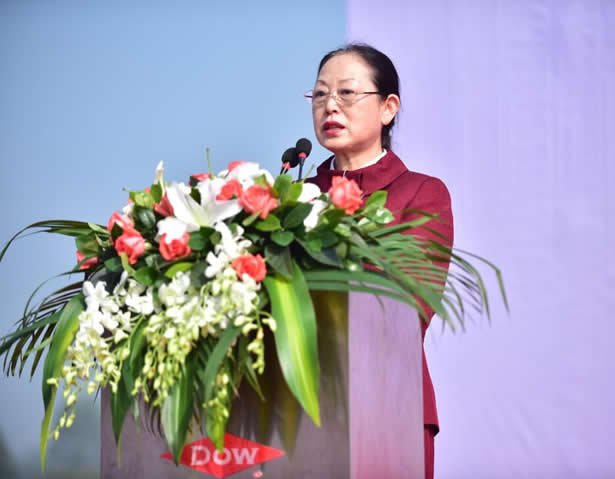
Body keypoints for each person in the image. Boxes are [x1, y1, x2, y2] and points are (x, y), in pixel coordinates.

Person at [304, 43, 454, 479]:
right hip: (292, 409)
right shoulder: (289, 199)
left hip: (386, 405)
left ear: (388, 108)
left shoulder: (421, 193)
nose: (330, 105)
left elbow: (406, 304)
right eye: (319, 94)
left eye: (347, 93)